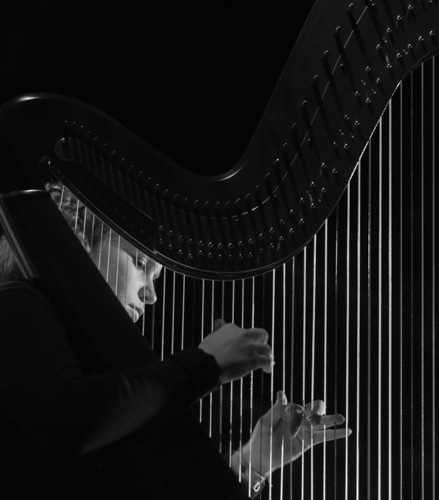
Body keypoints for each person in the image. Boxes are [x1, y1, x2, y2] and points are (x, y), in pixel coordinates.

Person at [0, 182, 349, 498]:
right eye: (139, 263)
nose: (152, 295)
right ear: (80, 239)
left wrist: (251, 464)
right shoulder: (15, 302)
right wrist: (205, 363)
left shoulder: (100, 367)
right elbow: (72, 420)